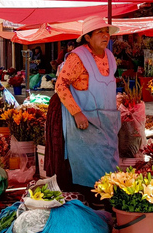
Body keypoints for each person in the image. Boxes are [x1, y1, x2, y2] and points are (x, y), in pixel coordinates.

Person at [46, 16, 121, 195]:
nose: (105, 36)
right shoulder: (77, 57)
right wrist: (77, 113)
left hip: (107, 121)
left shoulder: (110, 57)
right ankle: (90, 199)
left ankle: (106, 197)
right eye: (99, 32)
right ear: (87, 37)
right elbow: (60, 85)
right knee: (88, 163)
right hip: (83, 119)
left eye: (107, 32)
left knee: (109, 162)